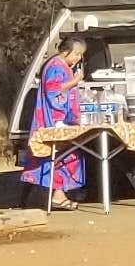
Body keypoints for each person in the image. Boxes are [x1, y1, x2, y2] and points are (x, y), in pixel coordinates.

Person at [21, 36, 92, 209]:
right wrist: (74, 82)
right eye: (76, 54)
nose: (78, 58)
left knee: (67, 154)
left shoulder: (64, 66)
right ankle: (56, 195)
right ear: (65, 51)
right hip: (53, 119)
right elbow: (53, 91)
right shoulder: (54, 66)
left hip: (63, 119)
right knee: (60, 155)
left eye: (80, 55)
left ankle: (59, 194)